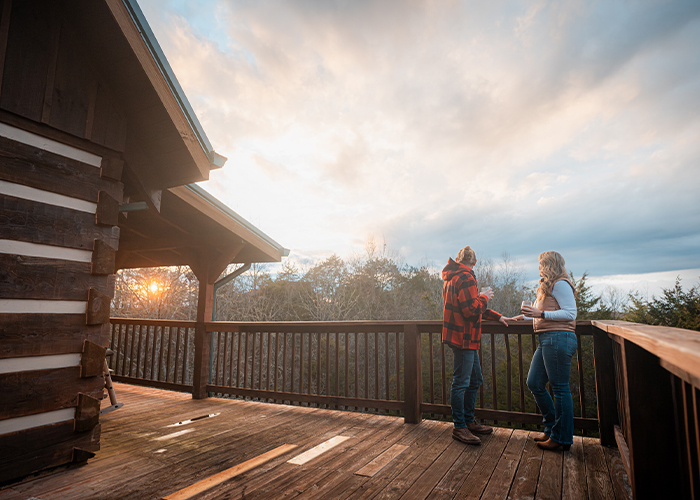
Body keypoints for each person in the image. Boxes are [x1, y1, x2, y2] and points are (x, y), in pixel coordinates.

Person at [442, 246, 512, 445]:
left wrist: (497, 316)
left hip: (460, 336)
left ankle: (468, 421)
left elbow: (470, 306)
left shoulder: (451, 277)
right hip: (464, 338)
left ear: (458, 259)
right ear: (475, 262)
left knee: (474, 380)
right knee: (462, 382)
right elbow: (472, 310)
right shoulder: (466, 278)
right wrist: (485, 297)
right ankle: (460, 427)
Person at [518, 251, 578, 451]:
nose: (539, 268)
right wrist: (519, 318)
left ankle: (561, 438)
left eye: (541, 264)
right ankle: (552, 428)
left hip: (559, 338)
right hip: (547, 339)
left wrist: (540, 313)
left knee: (560, 388)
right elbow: (538, 315)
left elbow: (570, 313)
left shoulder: (561, 284)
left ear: (549, 265)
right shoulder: (546, 287)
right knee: (534, 382)